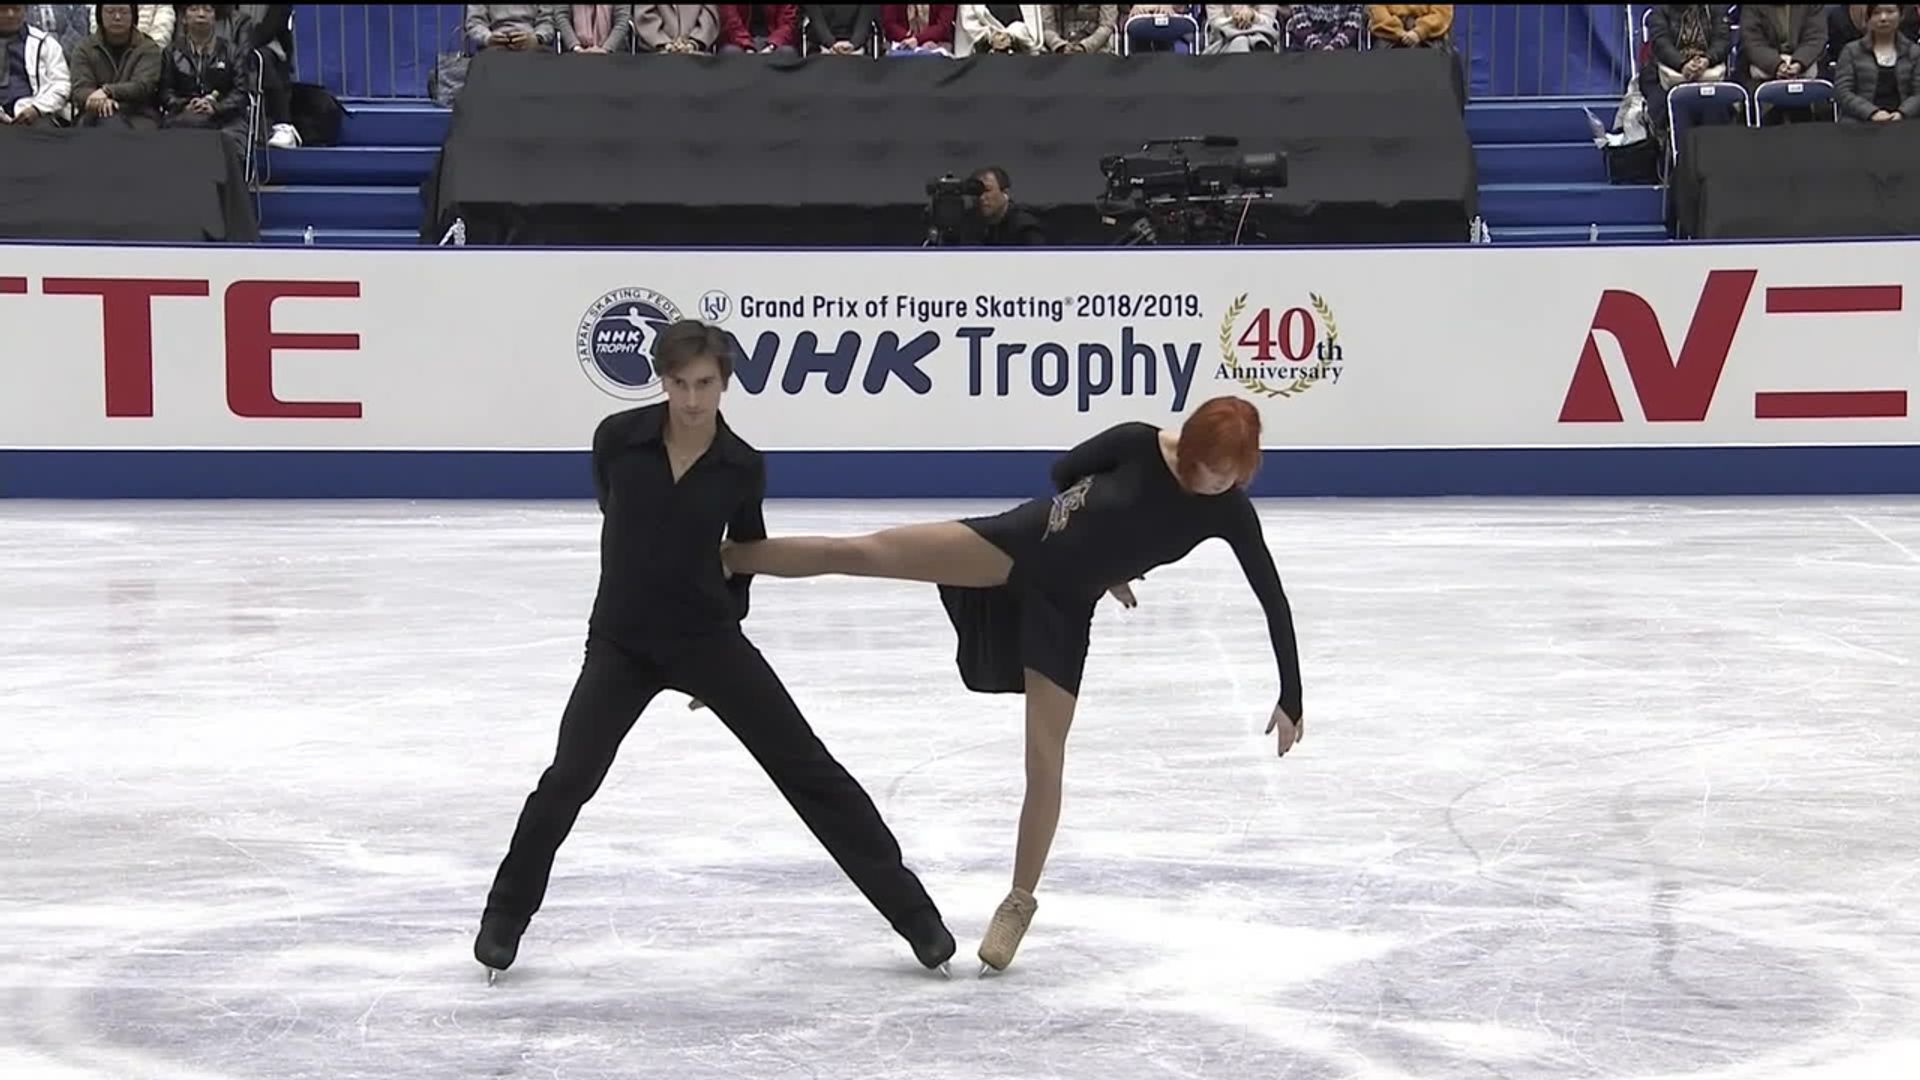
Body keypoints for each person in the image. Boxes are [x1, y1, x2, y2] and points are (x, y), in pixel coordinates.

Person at [722, 396, 1305, 973]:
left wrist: (1291, 697)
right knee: (865, 553)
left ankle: (1018, 902)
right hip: (1019, 545)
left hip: (1064, 609)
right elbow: (1065, 471)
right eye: (1211, 469)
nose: (1217, 483)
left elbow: (1271, 596)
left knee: (1045, 760)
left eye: (1231, 476)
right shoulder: (1136, 443)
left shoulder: (1227, 510)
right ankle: (731, 558)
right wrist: (1096, 537)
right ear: (1193, 446)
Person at [475, 320, 956, 981]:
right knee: (568, 779)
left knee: (809, 770)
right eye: (679, 384)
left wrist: (725, 638)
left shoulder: (741, 465)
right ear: (662, 381)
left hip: (707, 639)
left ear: (725, 382)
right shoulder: (617, 440)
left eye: (705, 384)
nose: (693, 399)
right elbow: (617, 515)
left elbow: (745, 552)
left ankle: (917, 918)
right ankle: (503, 918)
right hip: (621, 641)